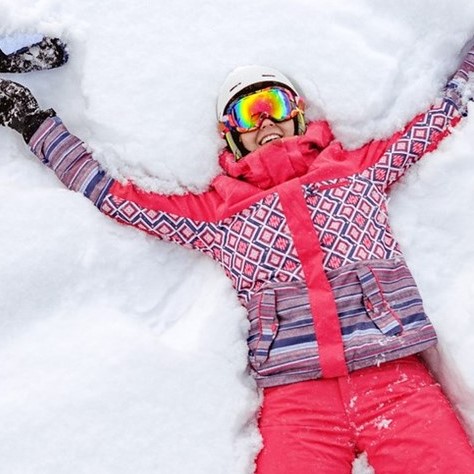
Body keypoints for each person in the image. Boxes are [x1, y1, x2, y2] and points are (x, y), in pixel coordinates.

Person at [1, 38, 474, 473]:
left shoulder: (357, 172)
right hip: (298, 400)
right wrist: (35, 125)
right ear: (233, 136)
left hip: (392, 377)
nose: (265, 120)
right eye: (249, 114)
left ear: (298, 115)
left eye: (275, 104)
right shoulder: (220, 214)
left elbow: (438, 119)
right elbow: (114, 196)